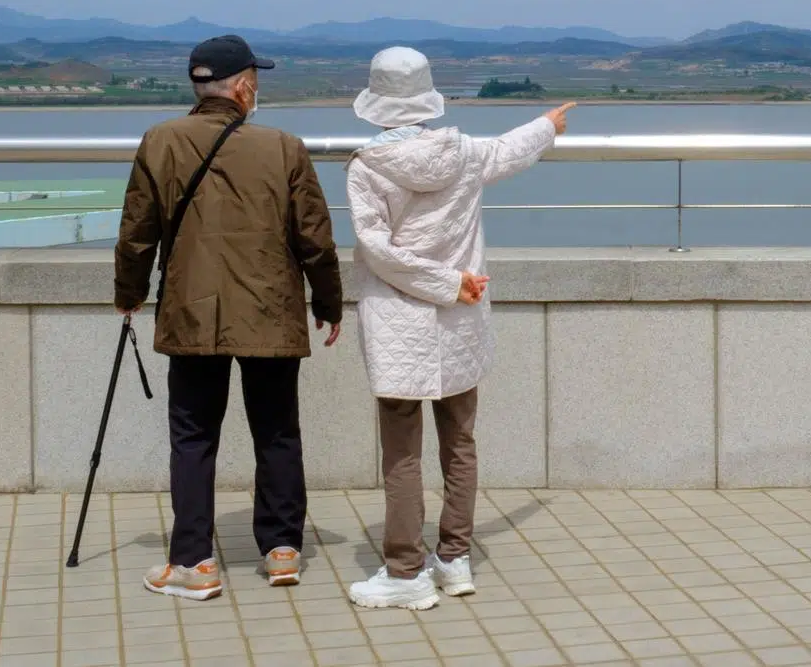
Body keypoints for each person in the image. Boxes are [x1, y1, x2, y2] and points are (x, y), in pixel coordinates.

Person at [114, 34, 344, 601]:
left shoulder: (160, 140)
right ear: (243, 87)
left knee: (193, 436)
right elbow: (315, 238)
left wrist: (129, 293)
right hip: (270, 311)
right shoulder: (284, 147)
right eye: (255, 81)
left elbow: (137, 231)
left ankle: (194, 561)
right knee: (277, 431)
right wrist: (328, 303)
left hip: (192, 312)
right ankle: (283, 549)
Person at [343, 46, 573, 610]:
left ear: (376, 103)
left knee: (402, 451)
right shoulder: (465, 153)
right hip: (461, 317)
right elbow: (510, 150)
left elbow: (378, 250)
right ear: (428, 98)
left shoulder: (367, 167)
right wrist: (547, 124)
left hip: (399, 322)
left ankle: (405, 571)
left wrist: (443, 282)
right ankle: (454, 557)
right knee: (460, 441)